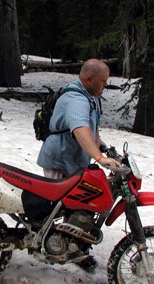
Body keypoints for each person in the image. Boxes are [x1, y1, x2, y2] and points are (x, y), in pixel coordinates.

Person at [37, 58, 120, 271]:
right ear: (89, 78)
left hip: (73, 158)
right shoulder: (76, 99)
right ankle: (46, 242)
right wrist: (100, 159)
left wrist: (103, 148)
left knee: (78, 203)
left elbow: (92, 130)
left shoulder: (89, 97)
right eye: (103, 81)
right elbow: (80, 129)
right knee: (56, 207)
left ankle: (74, 247)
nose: (105, 86)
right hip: (60, 158)